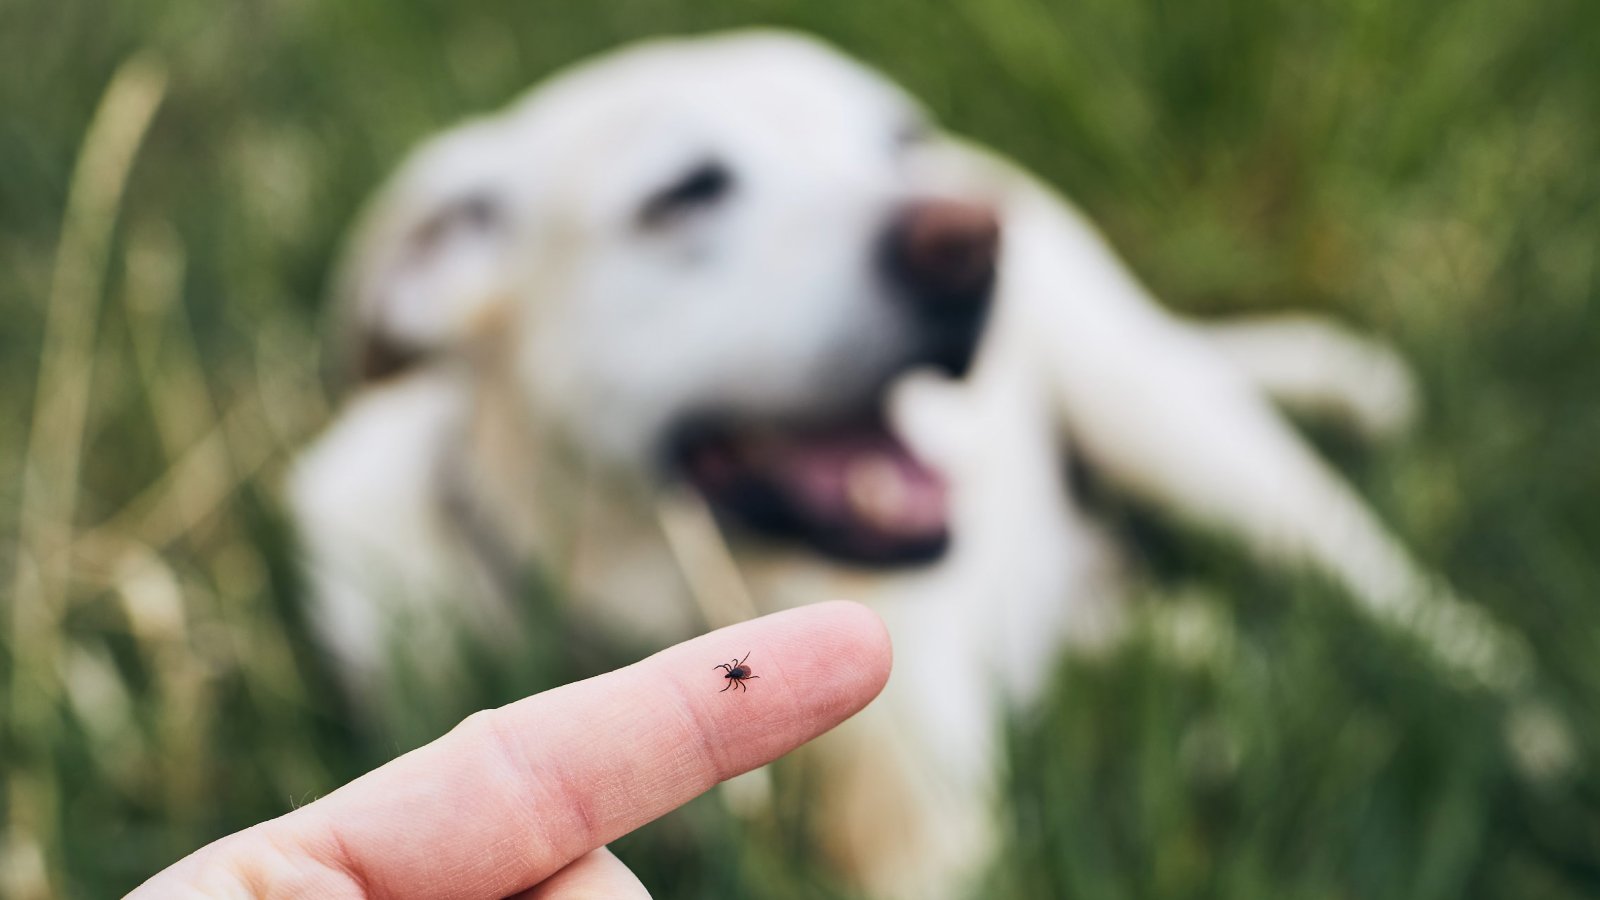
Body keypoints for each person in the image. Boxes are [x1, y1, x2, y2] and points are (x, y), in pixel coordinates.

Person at [129, 601, 891, 898]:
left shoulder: (735, 672)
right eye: (738, 672)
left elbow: (737, 678)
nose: (738, 672)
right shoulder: (733, 672)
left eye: (738, 672)